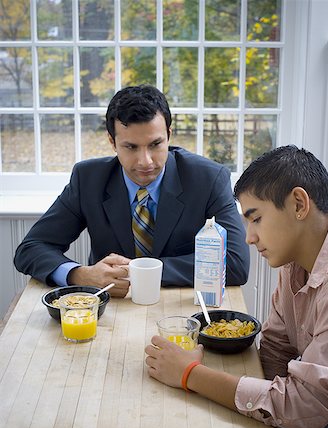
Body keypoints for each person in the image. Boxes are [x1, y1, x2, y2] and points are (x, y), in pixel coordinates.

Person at [145, 145, 328, 428]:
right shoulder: (294, 263)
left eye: (256, 218)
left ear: (299, 204)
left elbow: (308, 405)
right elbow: (275, 348)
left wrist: (191, 374)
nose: (249, 237)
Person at [14, 84, 249, 297]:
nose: (145, 161)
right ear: (112, 142)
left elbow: (236, 263)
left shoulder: (208, 179)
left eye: (155, 145)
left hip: (181, 306)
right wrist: (80, 275)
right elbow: (30, 249)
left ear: (169, 135)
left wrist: (141, 272)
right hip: (110, 309)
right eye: (131, 147)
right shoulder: (88, 179)